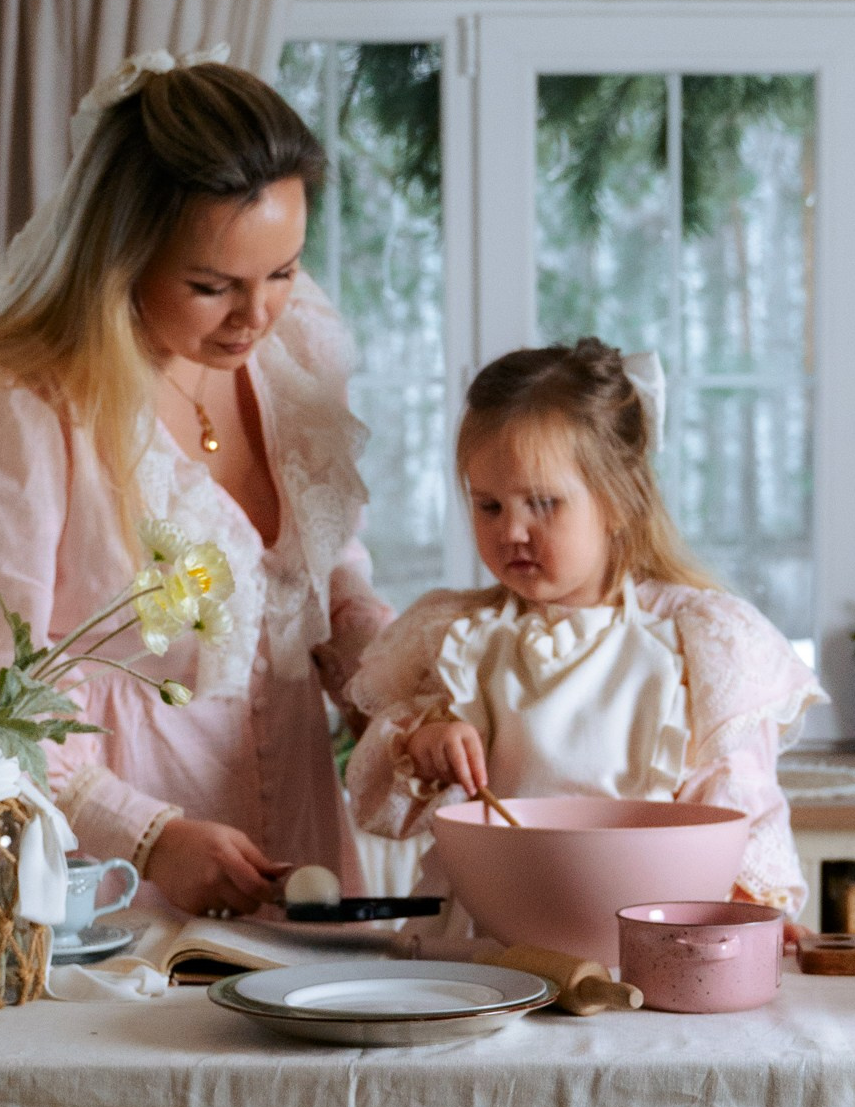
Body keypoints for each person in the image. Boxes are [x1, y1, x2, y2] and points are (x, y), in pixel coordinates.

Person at [0, 51, 388, 917]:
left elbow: (327, 567)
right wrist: (145, 835)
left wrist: (387, 688)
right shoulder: (20, 408)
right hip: (101, 875)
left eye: (282, 271)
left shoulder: (293, 352)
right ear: (118, 256)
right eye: (211, 287)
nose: (257, 315)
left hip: (298, 835)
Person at [344, 337, 817, 914]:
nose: (511, 531)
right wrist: (425, 747)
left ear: (617, 502)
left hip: (641, 927)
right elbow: (379, 804)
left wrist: (750, 907)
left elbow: (740, 807)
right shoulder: (455, 637)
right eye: (489, 506)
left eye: (542, 504)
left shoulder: (697, 642)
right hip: (481, 941)